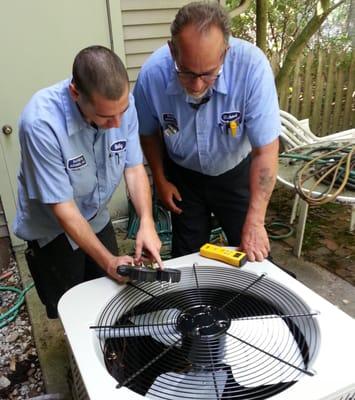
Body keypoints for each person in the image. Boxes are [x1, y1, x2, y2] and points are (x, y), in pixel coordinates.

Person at [13, 45, 163, 318]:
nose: (118, 123)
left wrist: (147, 222)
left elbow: (133, 169)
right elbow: (64, 209)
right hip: (52, 230)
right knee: (69, 307)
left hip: (96, 215)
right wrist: (108, 261)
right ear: (75, 93)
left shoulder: (120, 106)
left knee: (109, 293)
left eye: (123, 111)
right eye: (106, 117)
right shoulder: (40, 123)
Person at [133, 1, 280, 262]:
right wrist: (160, 178)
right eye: (187, 73)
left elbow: (266, 151)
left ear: (225, 52)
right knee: (186, 256)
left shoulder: (252, 68)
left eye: (208, 74)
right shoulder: (152, 75)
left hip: (235, 174)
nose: (197, 84)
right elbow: (148, 134)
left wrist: (256, 222)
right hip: (183, 178)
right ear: (172, 50)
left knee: (252, 253)